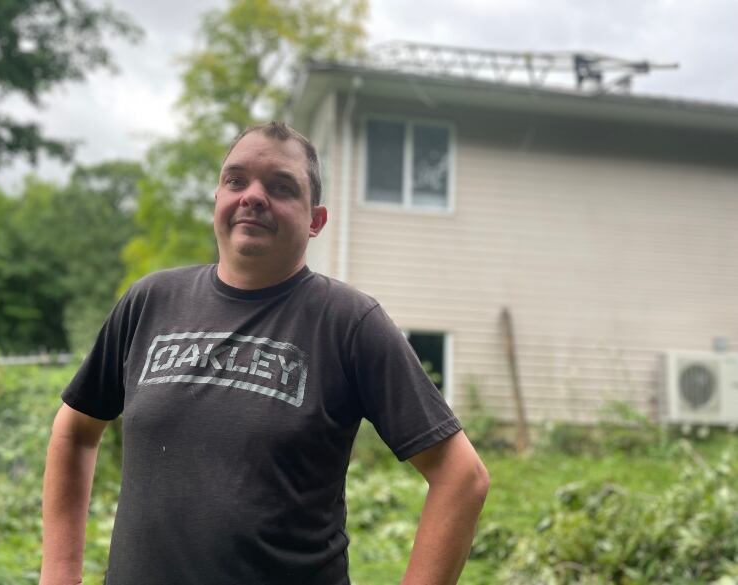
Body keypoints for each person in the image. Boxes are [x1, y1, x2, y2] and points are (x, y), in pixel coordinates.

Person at [39, 122, 490, 585]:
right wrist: (58, 573)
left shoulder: (349, 323)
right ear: (217, 198)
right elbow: (75, 432)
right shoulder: (150, 302)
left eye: (281, 187)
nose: (252, 196)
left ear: (316, 221)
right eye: (236, 180)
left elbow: (462, 478)